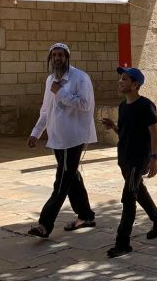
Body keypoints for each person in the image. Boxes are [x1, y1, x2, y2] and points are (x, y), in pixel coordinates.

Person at [27, 43, 97, 238]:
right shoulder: (50, 80)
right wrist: (36, 132)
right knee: (71, 176)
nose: (57, 58)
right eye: (54, 55)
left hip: (72, 138)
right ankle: (86, 215)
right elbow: (45, 109)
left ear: (67, 57)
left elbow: (85, 104)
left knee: (62, 181)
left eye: (61, 55)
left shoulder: (80, 78)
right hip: (57, 138)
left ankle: (45, 224)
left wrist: (61, 92)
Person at [101, 67, 157, 258]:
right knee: (138, 190)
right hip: (124, 159)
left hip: (137, 160)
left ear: (135, 84)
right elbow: (124, 133)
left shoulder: (146, 105)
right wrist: (113, 126)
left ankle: (123, 242)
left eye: (124, 79)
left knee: (128, 198)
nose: (120, 81)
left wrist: (154, 158)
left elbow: (154, 133)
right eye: (120, 78)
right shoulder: (123, 106)